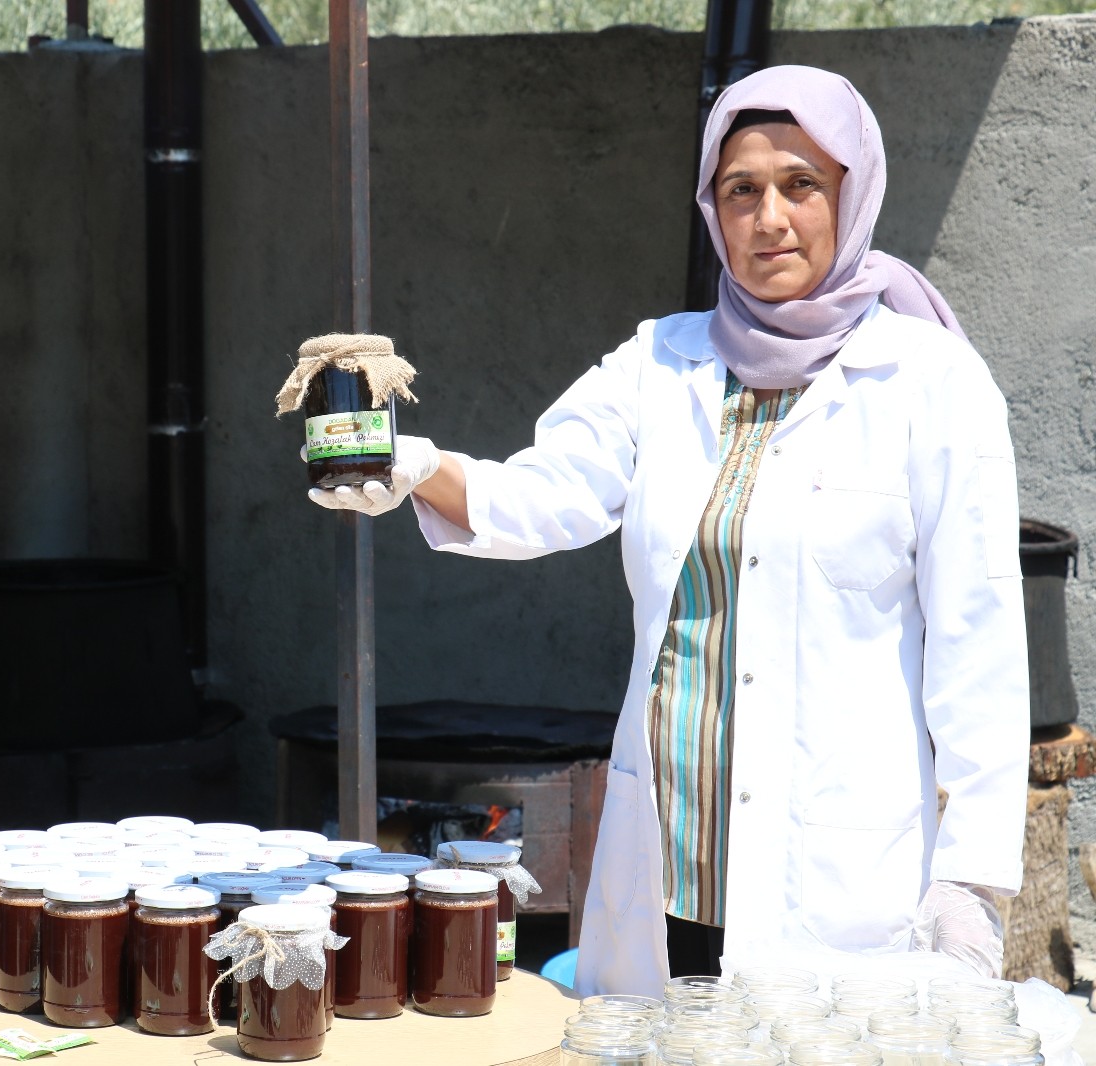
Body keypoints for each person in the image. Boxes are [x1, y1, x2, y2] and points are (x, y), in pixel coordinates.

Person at [307, 65, 1028, 997]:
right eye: (741, 191)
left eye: (801, 185)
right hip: (672, 870)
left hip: (844, 881)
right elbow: (542, 496)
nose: (770, 217)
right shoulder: (661, 363)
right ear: (713, 210)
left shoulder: (932, 385)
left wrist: (971, 879)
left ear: (853, 197)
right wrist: (412, 466)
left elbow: (980, 647)